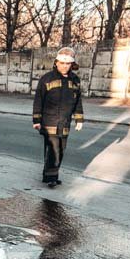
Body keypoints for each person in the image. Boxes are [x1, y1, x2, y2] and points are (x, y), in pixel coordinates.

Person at [32, 46, 85, 187]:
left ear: (72, 64)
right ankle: (51, 178)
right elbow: (38, 100)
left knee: (61, 150)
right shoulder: (46, 79)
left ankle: (49, 175)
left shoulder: (75, 80)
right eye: (62, 63)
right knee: (53, 150)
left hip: (65, 122)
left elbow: (77, 101)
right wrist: (36, 120)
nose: (64, 66)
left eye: (68, 64)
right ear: (56, 62)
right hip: (49, 121)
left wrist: (79, 118)